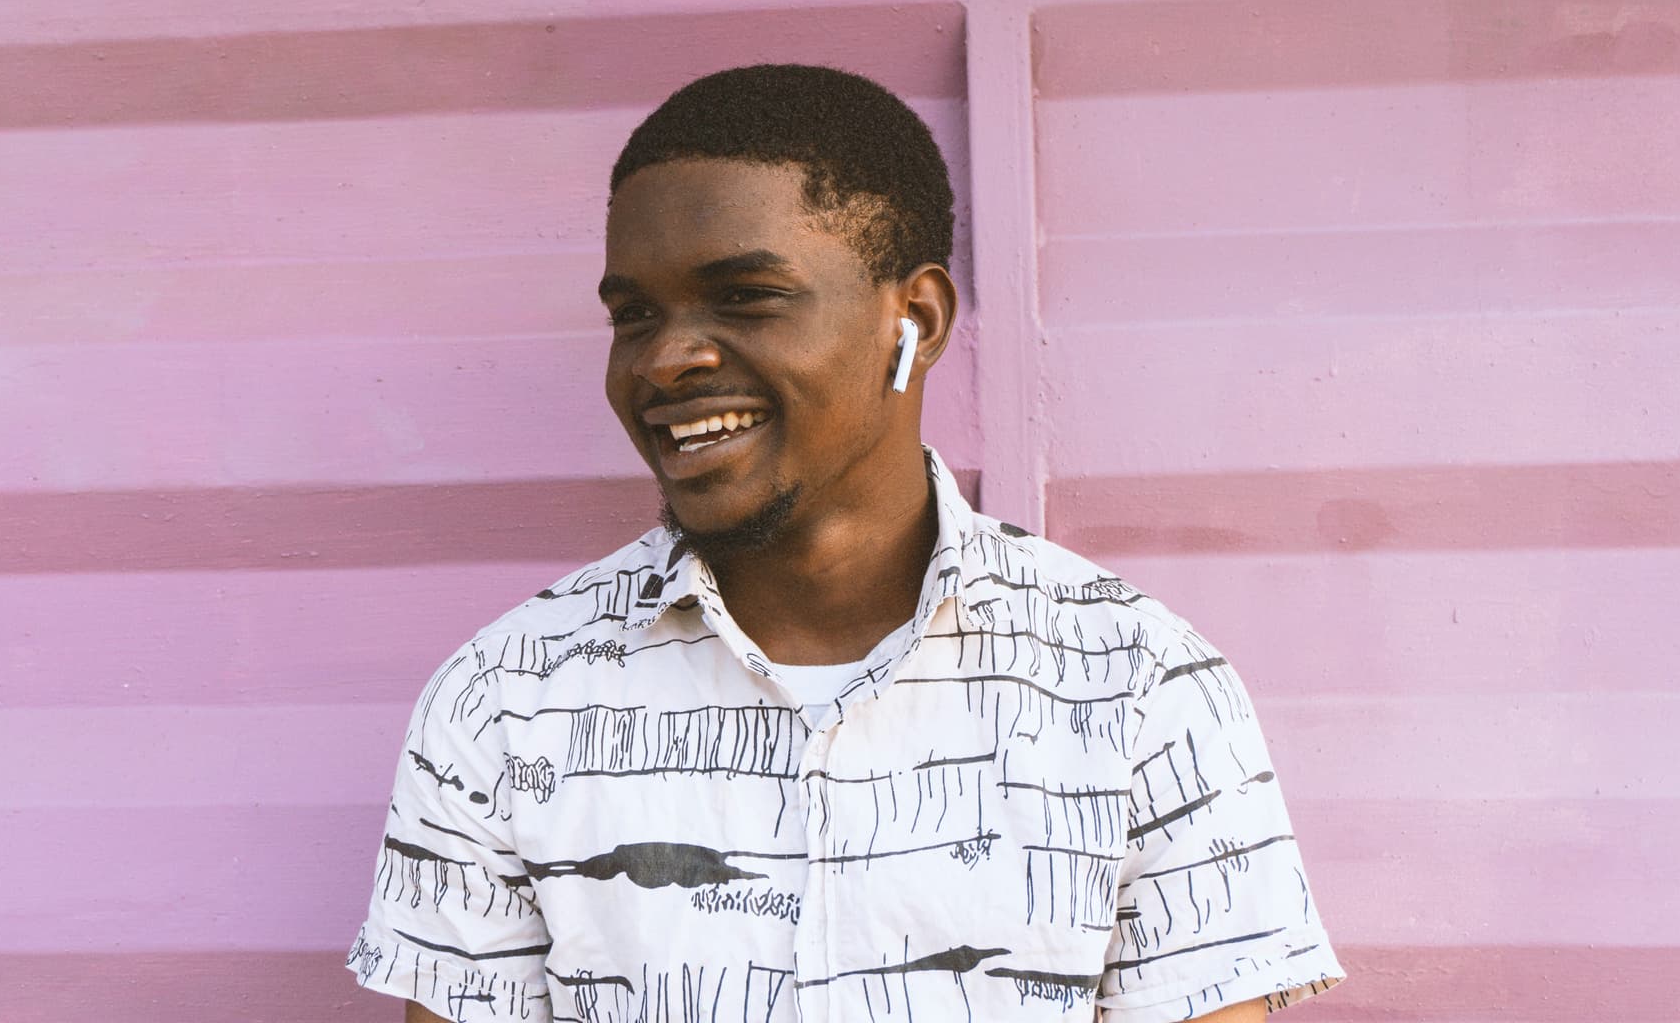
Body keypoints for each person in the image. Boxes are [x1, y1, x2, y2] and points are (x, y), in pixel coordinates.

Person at [347, 65, 1344, 1022]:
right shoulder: (503, 701)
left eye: (746, 296)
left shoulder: (1139, 688)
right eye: (634, 314)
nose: (667, 357)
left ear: (913, 319)